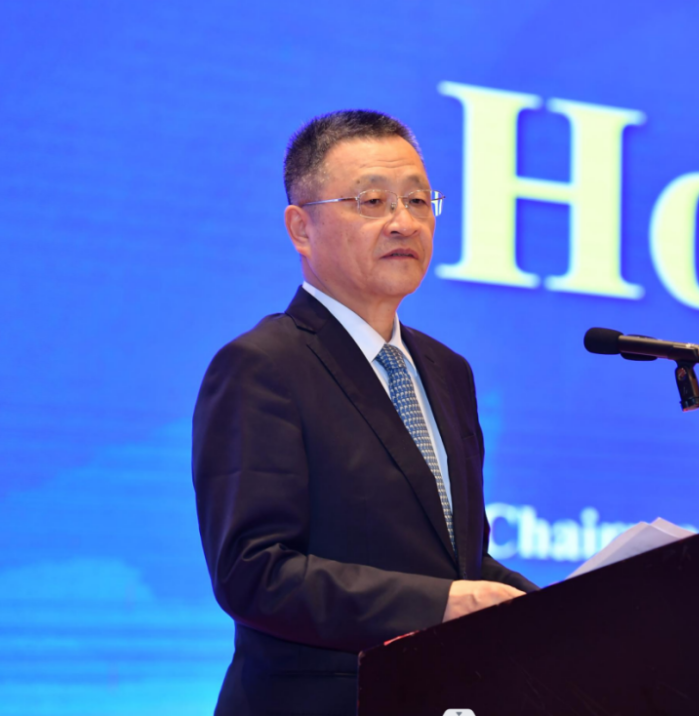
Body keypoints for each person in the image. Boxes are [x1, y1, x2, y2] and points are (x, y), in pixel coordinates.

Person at [192, 110, 538, 716]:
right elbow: (254, 572)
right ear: (301, 228)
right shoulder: (262, 366)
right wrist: (441, 603)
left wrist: (568, 607)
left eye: (418, 200)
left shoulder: (448, 371)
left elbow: (455, 560)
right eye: (372, 201)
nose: (404, 221)